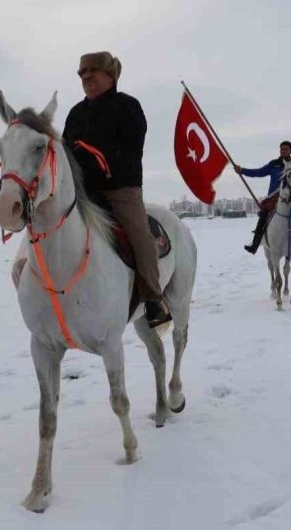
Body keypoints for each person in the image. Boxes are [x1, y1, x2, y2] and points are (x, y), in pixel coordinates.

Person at [61, 51, 171, 328]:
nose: (86, 79)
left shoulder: (129, 107)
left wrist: (95, 159)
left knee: (140, 236)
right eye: (82, 75)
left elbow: (131, 151)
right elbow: (64, 152)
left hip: (119, 189)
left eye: (92, 74)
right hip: (82, 192)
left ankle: (153, 297)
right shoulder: (75, 114)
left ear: (110, 76)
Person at [234, 141, 291, 254]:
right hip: (273, 199)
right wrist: (242, 171)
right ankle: (254, 244)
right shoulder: (273, 164)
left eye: (286, 149)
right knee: (263, 219)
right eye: (282, 149)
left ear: (290, 151)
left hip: (290, 198)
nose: (283, 151)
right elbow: (259, 172)